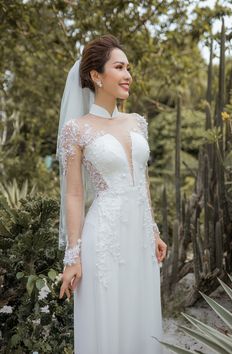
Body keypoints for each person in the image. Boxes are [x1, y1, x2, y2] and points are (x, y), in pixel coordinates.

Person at [56, 34, 167, 354]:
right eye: (119, 67)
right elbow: (74, 194)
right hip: (103, 240)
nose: (128, 75)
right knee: (107, 324)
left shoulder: (137, 122)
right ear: (96, 75)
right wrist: (73, 256)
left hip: (140, 240)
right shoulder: (76, 129)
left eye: (128, 67)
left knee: (140, 322)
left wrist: (154, 230)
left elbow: (142, 180)